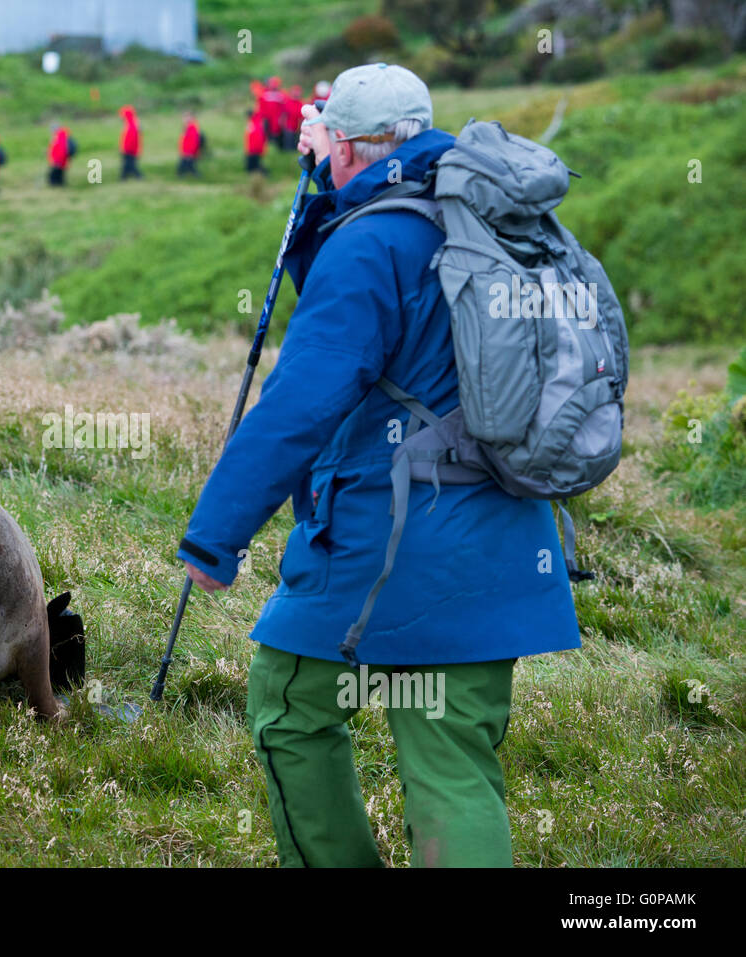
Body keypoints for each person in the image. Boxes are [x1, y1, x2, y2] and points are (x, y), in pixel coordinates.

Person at [176, 63, 580, 868]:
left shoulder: (369, 243)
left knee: (289, 709)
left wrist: (213, 540)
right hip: (507, 534)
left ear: (353, 148)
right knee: (453, 763)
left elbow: (302, 401)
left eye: (327, 139)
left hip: (383, 539)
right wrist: (324, 196)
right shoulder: (491, 219)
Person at [118, 105, 142, 180]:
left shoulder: (132, 125)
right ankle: (123, 178)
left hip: (130, 150)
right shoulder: (130, 124)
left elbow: (132, 140)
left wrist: (125, 149)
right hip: (128, 149)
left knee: (130, 165)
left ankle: (139, 177)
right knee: (127, 165)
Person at [177, 112, 201, 177]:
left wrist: (191, 151)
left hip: (189, 150)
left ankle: (182, 174)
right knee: (188, 164)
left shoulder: (192, 127)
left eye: (185, 117)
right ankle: (186, 173)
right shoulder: (187, 126)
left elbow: (193, 140)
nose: (183, 119)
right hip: (186, 150)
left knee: (186, 164)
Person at [281, 85, 305, 151]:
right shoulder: (287, 102)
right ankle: (287, 153)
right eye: (295, 92)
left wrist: (300, 127)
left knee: (296, 141)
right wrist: (283, 125)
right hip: (288, 126)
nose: (296, 94)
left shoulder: (301, 103)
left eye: (298, 92)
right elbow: (284, 115)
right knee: (288, 141)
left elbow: (302, 117)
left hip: (297, 126)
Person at [244, 110, 268, 175]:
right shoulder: (255, 122)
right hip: (254, 149)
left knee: (252, 167)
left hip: (254, 149)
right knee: (253, 166)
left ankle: (263, 174)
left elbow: (258, 138)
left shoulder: (254, 124)